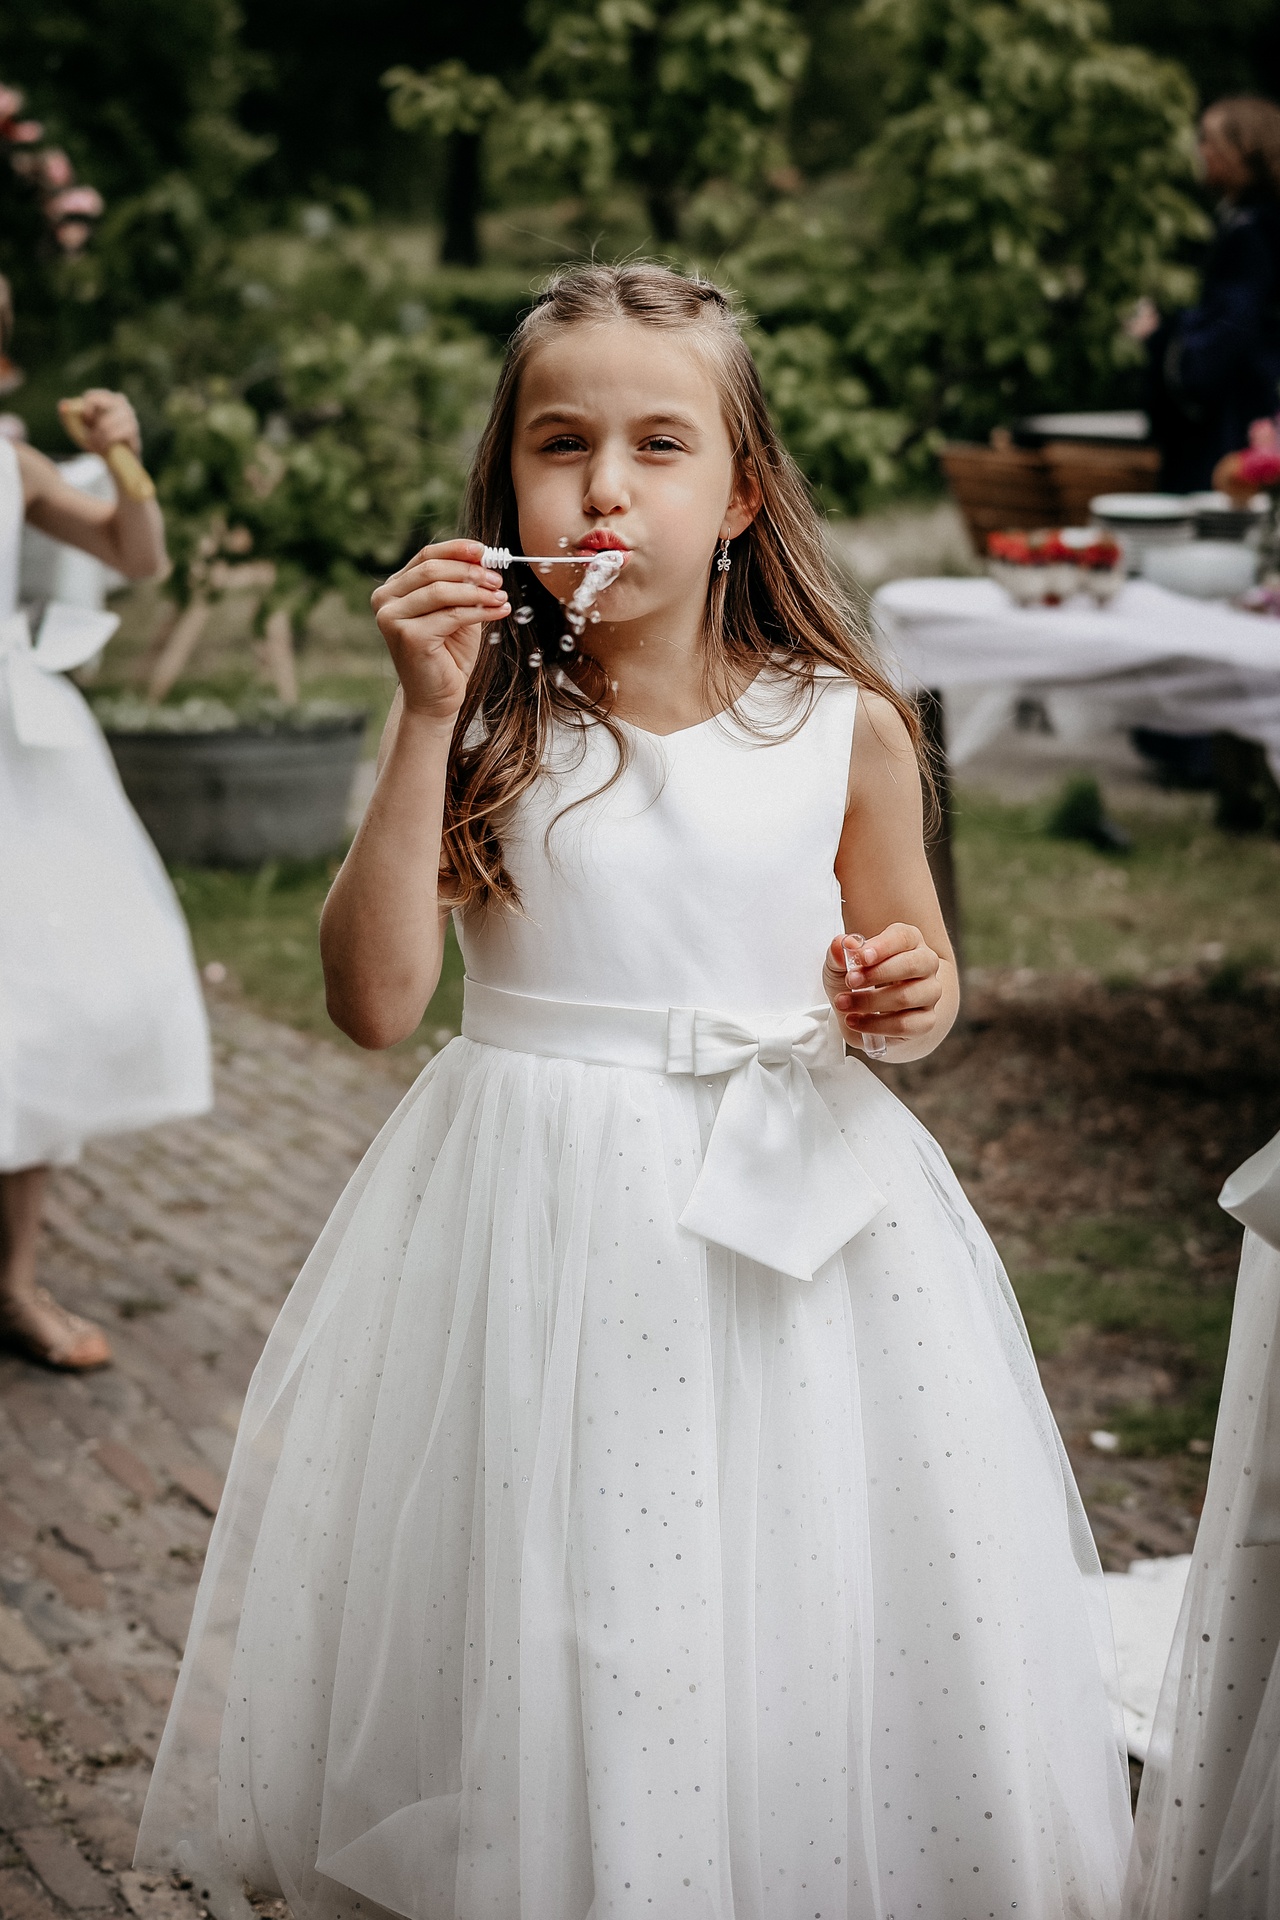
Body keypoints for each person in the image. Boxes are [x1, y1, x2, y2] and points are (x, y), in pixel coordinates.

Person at [135, 263, 1130, 1920]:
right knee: (573, 1580)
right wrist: (421, 717)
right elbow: (376, 1002)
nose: (605, 483)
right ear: (504, 483)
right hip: (541, 1221)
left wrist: (904, 998)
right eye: (560, 441)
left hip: (790, 1225)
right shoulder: (488, 728)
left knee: (792, 1571)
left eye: (661, 444)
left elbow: (922, 984)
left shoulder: (844, 727)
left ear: (741, 492)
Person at [0, 282, 211, 1371]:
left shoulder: (13, 461)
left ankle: (11, 1282)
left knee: (30, 1013)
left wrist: (124, 456)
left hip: (16, 765)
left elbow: (139, 557)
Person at [1139, 95, 1280, 492]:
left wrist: (1164, 336)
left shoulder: (1251, 232)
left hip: (1237, 423)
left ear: (1244, 150)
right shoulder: (1257, 223)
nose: (1200, 151)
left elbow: (1227, 333)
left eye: (1209, 139)